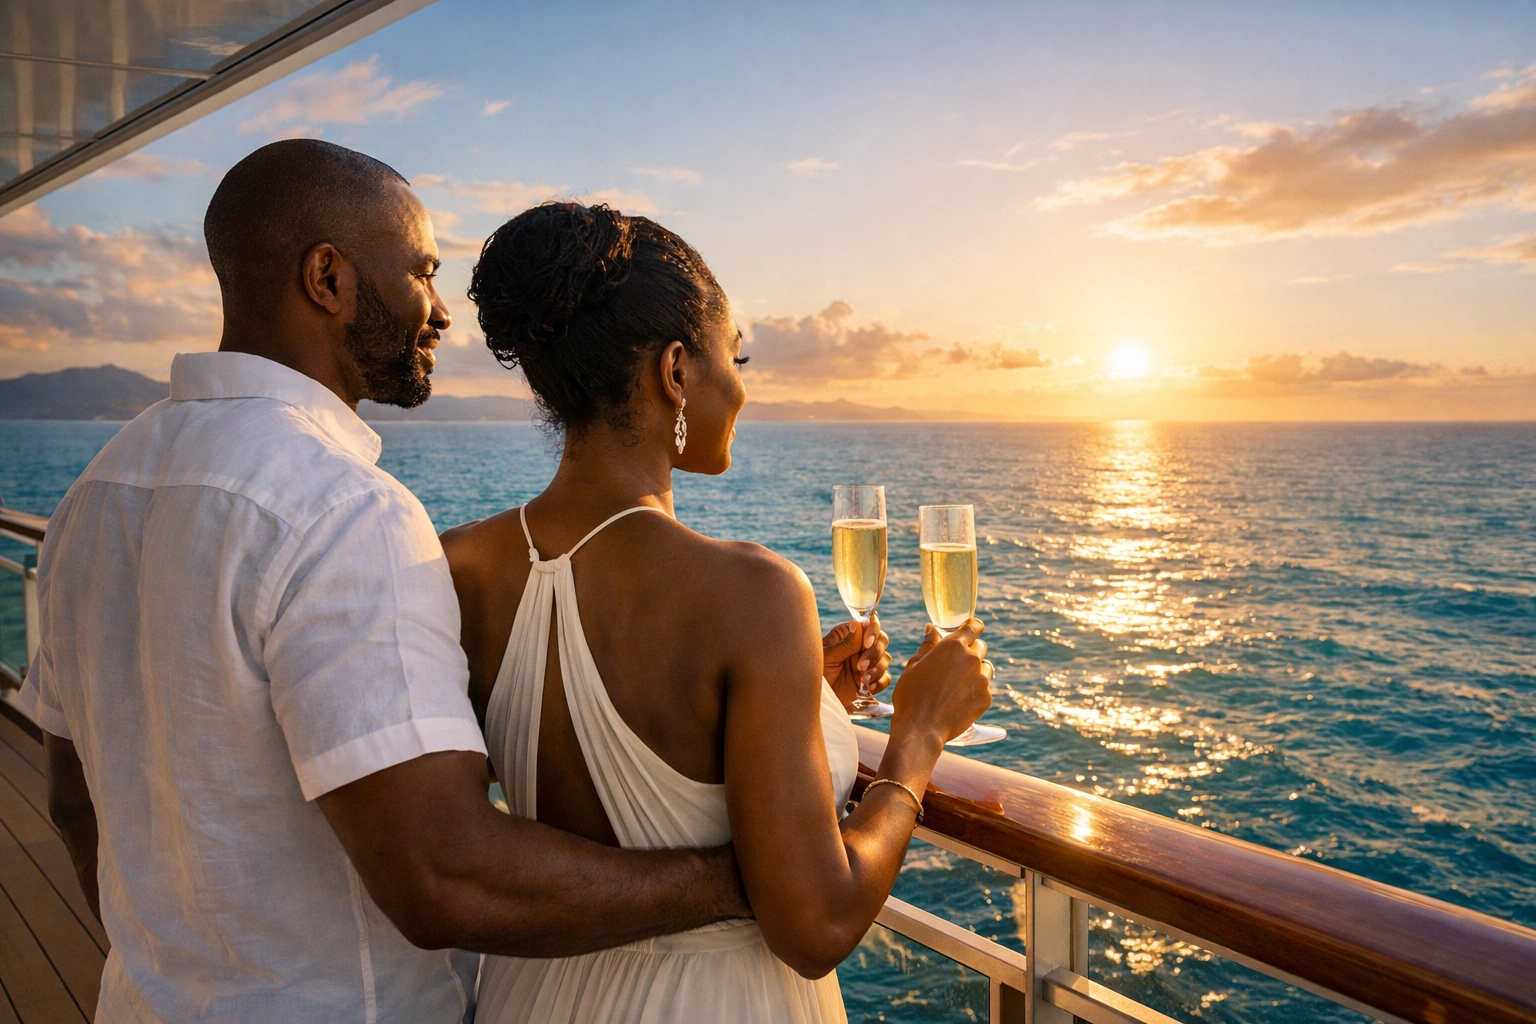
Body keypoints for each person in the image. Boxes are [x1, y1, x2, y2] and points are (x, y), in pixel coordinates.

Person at [23, 140, 774, 1023]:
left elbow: (76, 800)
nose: (440, 314)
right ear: (328, 279)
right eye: (421, 272)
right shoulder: (342, 510)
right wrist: (735, 878)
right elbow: (442, 878)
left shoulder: (98, 492)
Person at [444, 202, 993, 1023]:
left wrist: (812, 706)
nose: (741, 387)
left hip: (530, 996)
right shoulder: (753, 593)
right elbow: (816, 922)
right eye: (734, 356)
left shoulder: (459, 565)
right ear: (675, 370)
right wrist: (917, 734)